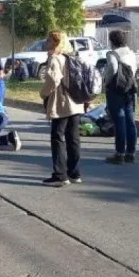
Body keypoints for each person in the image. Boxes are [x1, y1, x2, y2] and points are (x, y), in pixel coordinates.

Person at [39, 31, 84, 187]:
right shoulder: (71, 57)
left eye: (50, 40)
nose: (47, 42)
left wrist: (43, 93)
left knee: (57, 137)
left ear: (56, 43)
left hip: (62, 103)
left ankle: (60, 175)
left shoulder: (55, 58)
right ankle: (74, 173)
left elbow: (53, 80)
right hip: (76, 102)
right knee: (73, 138)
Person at [103, 30, 139, 165]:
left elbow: (112, 67)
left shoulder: (113, 53)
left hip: (116, 90)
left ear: (112, 41)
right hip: (130, 89)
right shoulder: (131, 53)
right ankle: (131, 153)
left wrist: (107, 81)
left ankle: (119, 154)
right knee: (130, 120)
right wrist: (134, 77)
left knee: (119, 121)